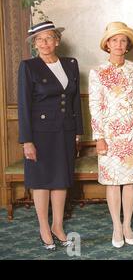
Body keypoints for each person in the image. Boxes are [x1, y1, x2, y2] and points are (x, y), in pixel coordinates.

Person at [18, 21, 83, 250]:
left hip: (65, 131)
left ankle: (57, 225)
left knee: (61, 180)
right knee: (41, 181)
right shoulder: (29, 66)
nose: (44, 43)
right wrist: (27, 140)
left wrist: (78, 133)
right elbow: (24, 106)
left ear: (57, 40)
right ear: (35, 44)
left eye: (49, 38)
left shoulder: (70, 64)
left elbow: (75, 101)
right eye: (39, 39)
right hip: (40, 133)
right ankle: (44, 227)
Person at [89, 22, 133, 248]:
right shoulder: (97, 72)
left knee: (131, 180)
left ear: (127, 46)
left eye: (123, 40)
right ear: (107, 44)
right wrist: (99, 137)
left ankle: (127, 226)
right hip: (109, 134)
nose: (118, 44)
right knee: (113, 182)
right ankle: (116, 225)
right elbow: (95, 105)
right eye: (114, 40)